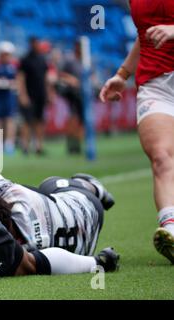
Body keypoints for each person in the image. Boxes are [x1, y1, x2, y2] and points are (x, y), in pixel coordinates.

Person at [99, 0, 174, 264]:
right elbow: (146, 34)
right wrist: (123, 73)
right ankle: (171, 230)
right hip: (157, 84)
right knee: (161, 156)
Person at [0, 171, 115, 256]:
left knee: (49, 187)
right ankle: (93, 189)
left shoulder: (10, 250)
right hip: (87, 206)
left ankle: (92, 186)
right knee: (47, 186)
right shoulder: (16, 197)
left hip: (86, 238)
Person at [17, 37, 49, 155]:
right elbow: (20, 77)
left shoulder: (42, 59)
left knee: (39, 120)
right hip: (29, 95)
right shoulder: (25, 59)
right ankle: (25, 145)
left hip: (40, 94)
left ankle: (39, 146)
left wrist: (48, 93)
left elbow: (45, 77)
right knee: (27, 121)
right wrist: (23, 95)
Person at [0, 41, 19, 155]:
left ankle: (9, 144)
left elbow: (18, 81)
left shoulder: (14, 66)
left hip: (9, 97)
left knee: (10, 120)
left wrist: (11, 84)